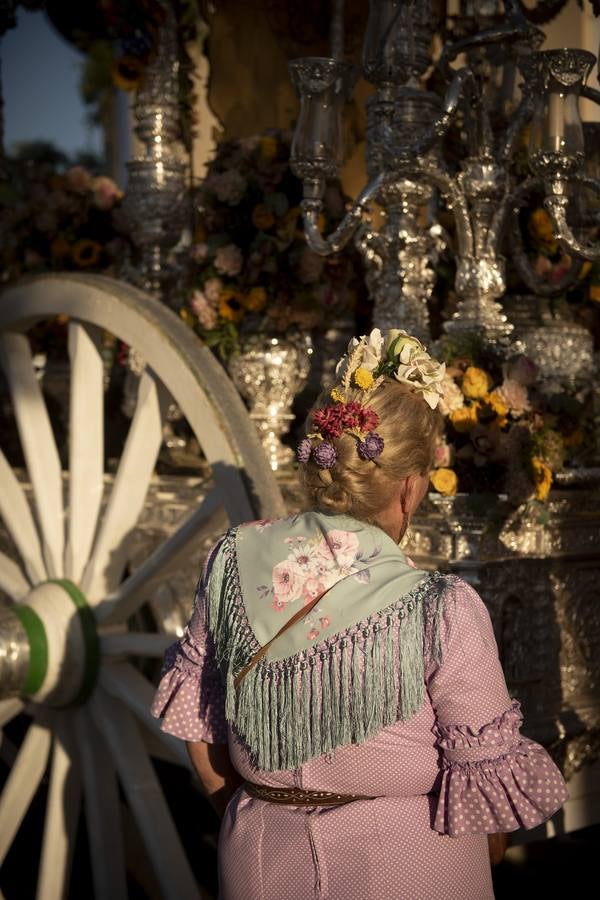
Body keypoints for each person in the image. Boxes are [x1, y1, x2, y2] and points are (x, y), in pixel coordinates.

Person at [151, 328, 568, 900]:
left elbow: (200, 724)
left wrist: (249, 810)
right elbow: (484, 790)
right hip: (407, 865)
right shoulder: (441, 608)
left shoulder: (231, 558)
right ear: (410, 486)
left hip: (259, 857)